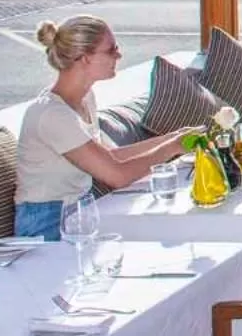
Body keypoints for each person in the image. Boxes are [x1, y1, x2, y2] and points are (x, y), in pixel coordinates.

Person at [14, 18, 191, 238]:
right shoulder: (52, 114)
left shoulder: (85, 98)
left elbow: (109, 158)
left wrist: (174, 138)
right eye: (111, 50)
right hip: (46, 224)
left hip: (81, 211)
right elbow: (117, 175)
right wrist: (172, 147)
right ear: (85, 58)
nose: (119, 55)